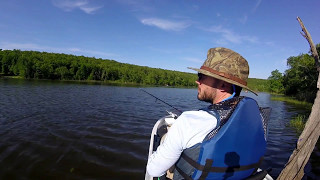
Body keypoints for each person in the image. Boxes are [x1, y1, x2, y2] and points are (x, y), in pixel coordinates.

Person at [146, 47, 267, 179]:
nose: (197, 81)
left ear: (223, 85)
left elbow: (154, 171)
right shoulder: (259, 121)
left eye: (201, 76)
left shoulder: (188, 121)